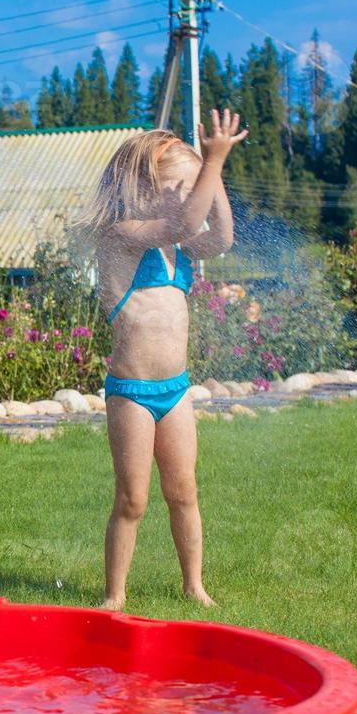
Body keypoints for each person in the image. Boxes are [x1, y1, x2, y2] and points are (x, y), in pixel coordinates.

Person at [76, 110, 248, 611]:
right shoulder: (123, 235)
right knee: (133, 500)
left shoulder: (180, 249)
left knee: (184, 492)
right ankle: (114, 596)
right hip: (131, 393)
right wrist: (211, 161)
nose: (189, 196)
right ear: (144, 187)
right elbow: (185, 218)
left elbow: (220, 237)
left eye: (194, 187)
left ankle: (193, 585)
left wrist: (212, 172)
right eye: (180, 186)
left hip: (175, 391)